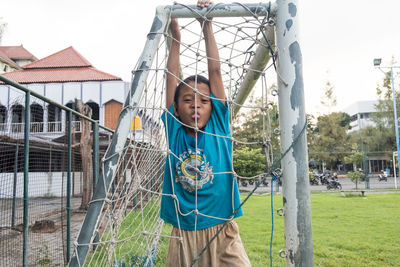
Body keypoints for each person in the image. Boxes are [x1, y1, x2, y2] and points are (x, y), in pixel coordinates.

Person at [161, 1, 250, 266]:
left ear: (214, 107)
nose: (196, 105)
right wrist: (176, 39)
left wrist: (206, 24)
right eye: (188, 100)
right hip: (184, 232)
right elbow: (170, 77)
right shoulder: (174, 131)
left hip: (222, 228)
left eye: (203, 100)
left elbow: (215, 71)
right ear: (176, 108)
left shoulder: (219, 127)